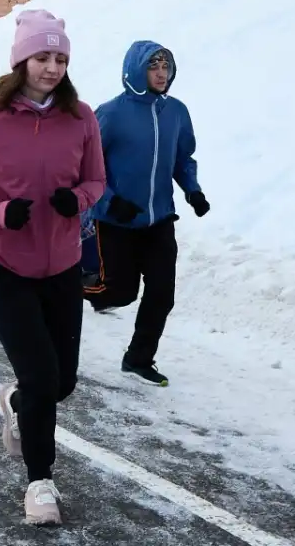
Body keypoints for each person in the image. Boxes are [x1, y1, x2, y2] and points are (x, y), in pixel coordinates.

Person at [0, 9, 105, 526]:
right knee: (41, 375)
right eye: (42, 57)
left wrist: (75, 200)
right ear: (21, 61)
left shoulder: (81, 117)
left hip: (61, 267)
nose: (52, 67)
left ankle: (16, 400)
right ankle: (40, 483)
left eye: (60, 58)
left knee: (61, 381)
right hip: (2, 266)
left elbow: (98, 182)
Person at [82, 42, 208, 387]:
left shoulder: (177, 112)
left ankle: (138, 358)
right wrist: (109, 201)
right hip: (115, 222)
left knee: (162, 294)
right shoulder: (110, 114)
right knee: (120, 293)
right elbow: (85, 166)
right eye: (154, 67)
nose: (162, 74)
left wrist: (192, 190)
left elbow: (183, 158)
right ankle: (67, 287)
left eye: (166, 67)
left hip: (159, 220)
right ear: (137, 70)